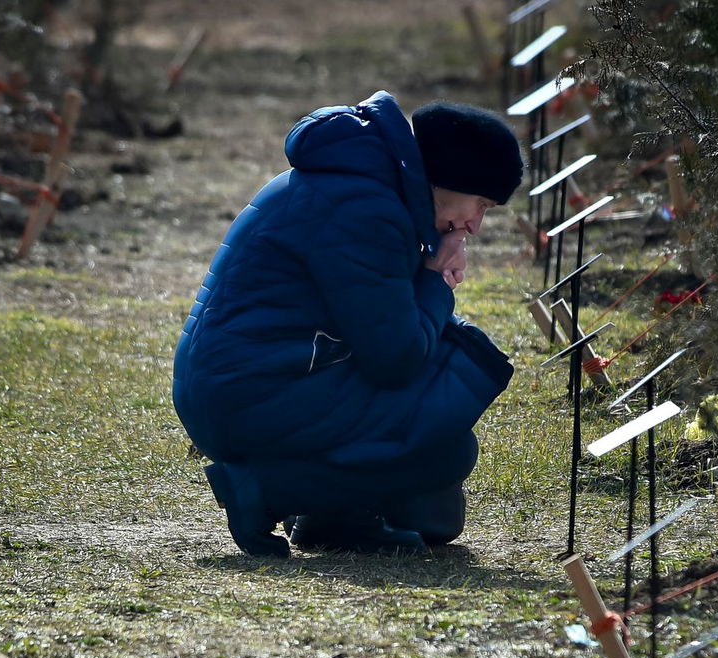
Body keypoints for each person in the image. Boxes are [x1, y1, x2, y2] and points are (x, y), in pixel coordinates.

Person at [171, 90, 524, 557]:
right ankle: (260, 492)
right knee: (448, 448)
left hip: (249, 381)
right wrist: (436, 278)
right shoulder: (366, 211)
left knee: (435, 503)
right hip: (250, 395)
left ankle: (331, 515)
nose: (475, 225)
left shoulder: (360, 186)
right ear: (447, 178)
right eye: (480, 203)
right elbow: (395, 360)